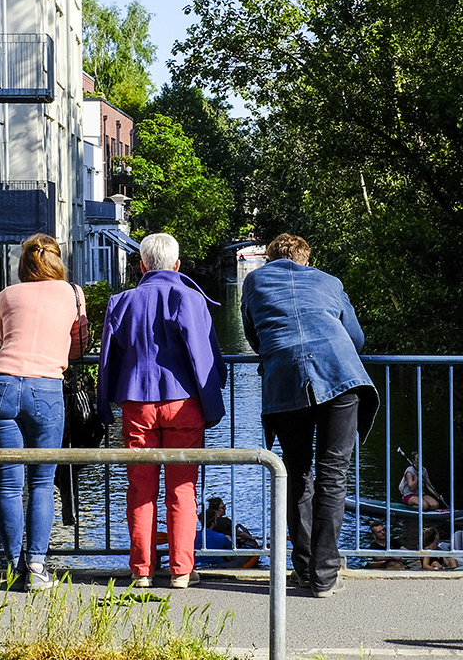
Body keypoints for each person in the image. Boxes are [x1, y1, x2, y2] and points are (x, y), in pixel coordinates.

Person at [241, 233, 379, 598]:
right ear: (306, 259)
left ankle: (303, 570)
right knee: (333, 475)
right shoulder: (329, 281)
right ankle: (324, 576)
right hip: (340, 375)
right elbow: (356, 339)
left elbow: (252, 334)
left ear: (270, 259)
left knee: (297, 470)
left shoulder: (255, 280)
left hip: (286, 379)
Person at [97, 232, 226, 590]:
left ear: (142, 265)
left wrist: (104, 404)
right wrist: (213, 403)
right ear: (177, 265)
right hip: (184, 404)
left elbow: (109, 358)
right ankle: (182, 571)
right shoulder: (190, 298)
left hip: (137, 403)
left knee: (141, 489)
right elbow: (206, 356)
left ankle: (142, 571)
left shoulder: (121, 302)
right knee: (183, 490)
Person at [0, 233, 86, 591]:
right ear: (57, 261)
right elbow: (79, 345)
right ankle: (38, 570)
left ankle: (13, 568)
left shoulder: (5, 295)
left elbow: (3, 339)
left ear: (23, 265)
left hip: (1, 385)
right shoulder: (72, 293)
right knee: (42, 482)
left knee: (9, 483)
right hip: (45, 388)